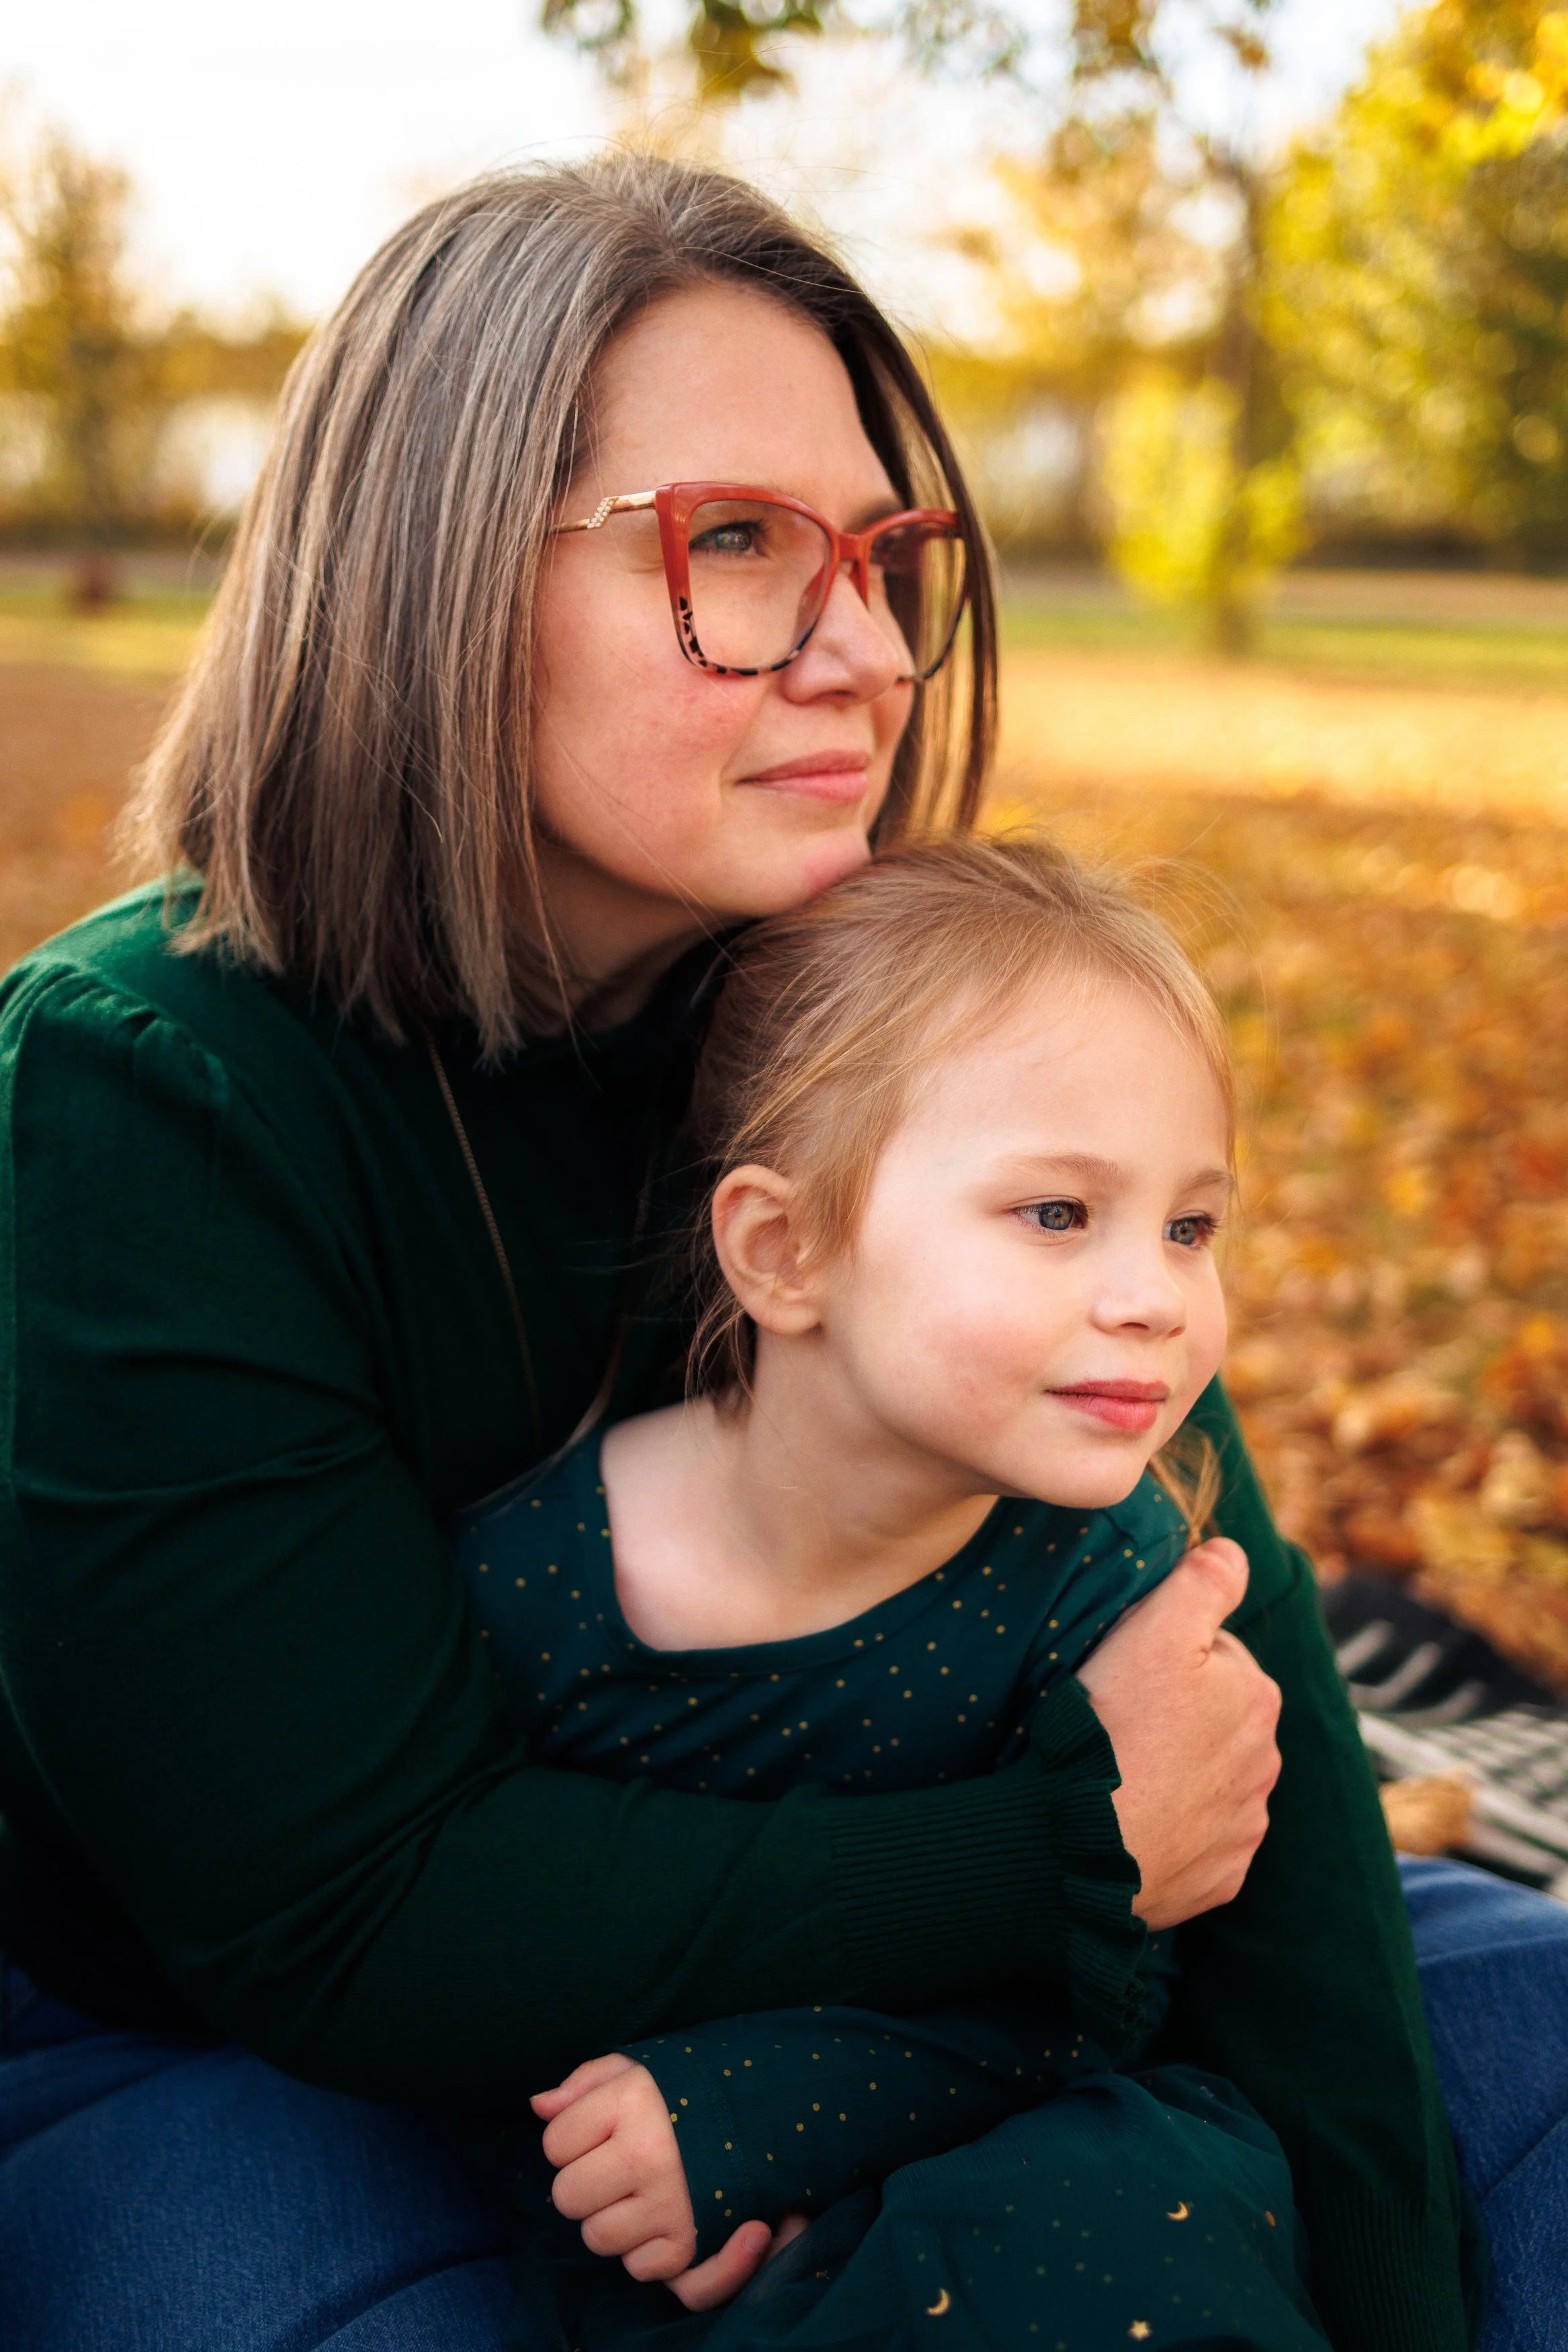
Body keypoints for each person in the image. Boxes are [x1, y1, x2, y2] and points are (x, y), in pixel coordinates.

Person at [0, 150, 1551, 2352]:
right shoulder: (148, 1090)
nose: (863, 653)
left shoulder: (876, 1002)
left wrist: (1369, 2274)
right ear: (426, 574)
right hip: (250, 2030)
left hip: (944, 1974)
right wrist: (1059, 1851)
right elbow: (342, 1923)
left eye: (882, 559)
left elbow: (1220, 1658)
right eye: (733, 544)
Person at [461, 831, 1330, 2349]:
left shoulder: (1100, 1579)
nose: (1155, 1294)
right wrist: (660, 2158)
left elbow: (1112, 1979)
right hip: (658, 2218)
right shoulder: (542, 1575)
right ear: (786, 1251)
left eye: (1192, 1226)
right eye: (1058, 1213)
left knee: (1120, 2206)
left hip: (996, 2156)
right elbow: (459, 1928)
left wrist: (786, 2108)